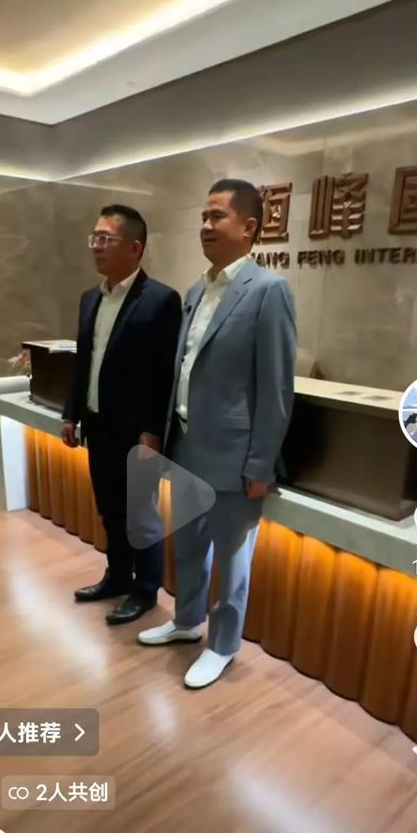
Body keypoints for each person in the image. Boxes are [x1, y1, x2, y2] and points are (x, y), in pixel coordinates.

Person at [139, 179, 296, 688]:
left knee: (232, 561)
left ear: (249, 227)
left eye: (217, 217)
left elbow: (276, 387)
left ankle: (223, 644)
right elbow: (183, 369)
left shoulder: (268, 291)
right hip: (187, 446)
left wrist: (260, 463)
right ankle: (187, 621)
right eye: (203, 217)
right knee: (187, 546)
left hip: (234, 456)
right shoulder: (195, 291)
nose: (206, 226)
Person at [62, 205, 182, 625]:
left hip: (136, 434)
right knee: (110, 509)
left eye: (105, 239)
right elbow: (84, 362)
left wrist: (152, 431)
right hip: (98, 426)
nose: (96, 247)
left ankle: (146, 590)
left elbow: (163, 374)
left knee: (141, 515)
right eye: (94, 238)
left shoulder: (161, 300)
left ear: (135, 247)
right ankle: (117, 577)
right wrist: (71, 414)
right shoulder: (90, 299)